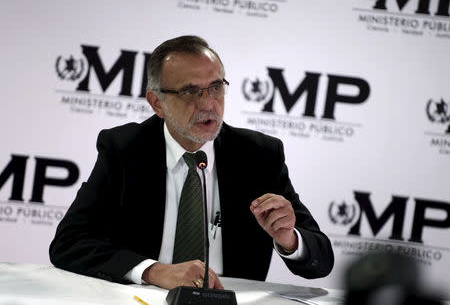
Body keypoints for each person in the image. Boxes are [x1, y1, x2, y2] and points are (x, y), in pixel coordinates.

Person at [49, 35, 334, 290]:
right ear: (156, 103)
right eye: (190, 91)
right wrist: (152, 271)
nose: (209, 103)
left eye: (215, 87)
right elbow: (69, 243)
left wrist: (290, 239)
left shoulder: (258, 155)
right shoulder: (124, 148)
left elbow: (321, 261)